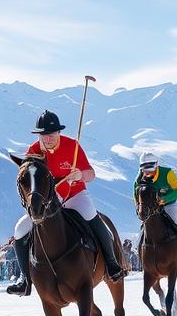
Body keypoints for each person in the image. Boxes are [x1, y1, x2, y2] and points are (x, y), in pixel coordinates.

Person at [6, 110, 124, 296]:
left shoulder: (73, 146)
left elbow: (91, 174)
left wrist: (80, 175)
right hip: (50, 199)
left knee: (91, 215)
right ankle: (25, 279)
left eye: (51, 135)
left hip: (76, 194)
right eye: (44, 135)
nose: (48, 139)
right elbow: (27, 175)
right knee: (20, 229)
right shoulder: (34, 151)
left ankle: (111, 263)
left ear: (59, 133)